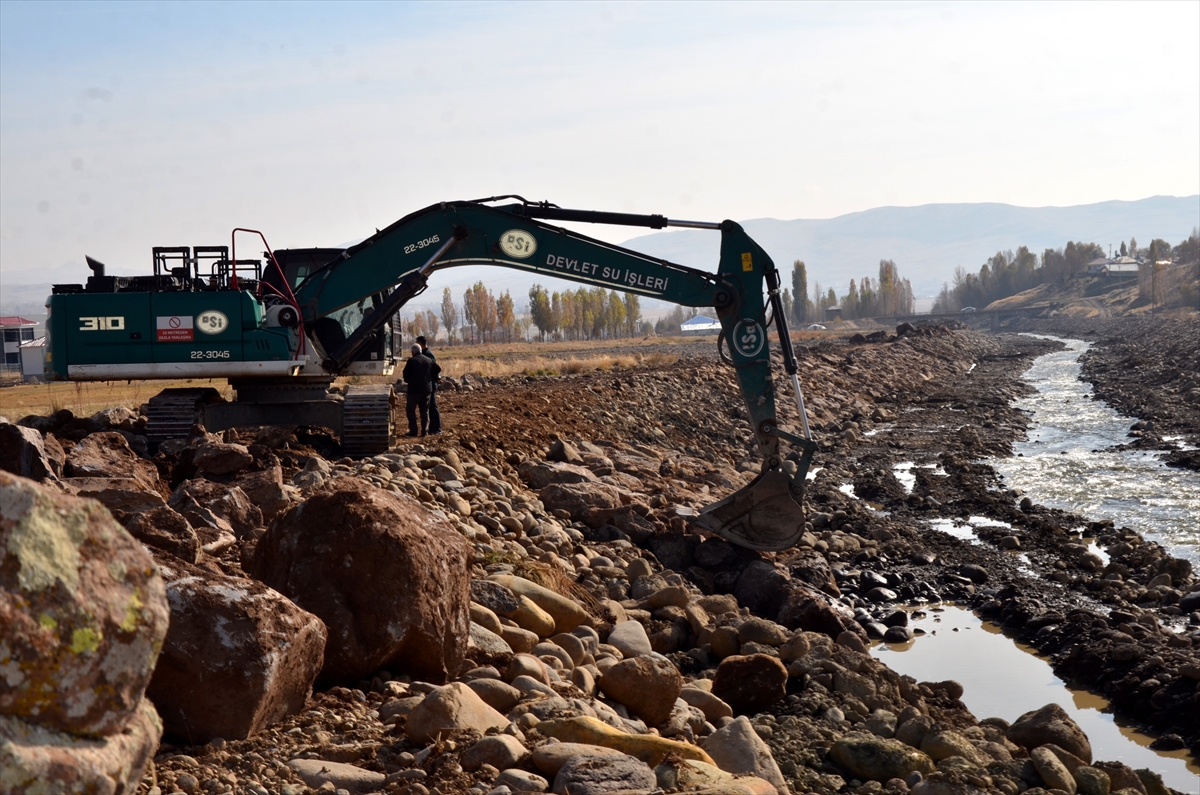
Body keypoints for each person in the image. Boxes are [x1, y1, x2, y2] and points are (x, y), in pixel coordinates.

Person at [401, 343, 434, 436]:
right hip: (427, 389)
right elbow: (437, 369)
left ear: (412, 352)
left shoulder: (412, 361)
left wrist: (408, 380)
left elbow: (405, 374)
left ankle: (413, 431)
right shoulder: (429, 360)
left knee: (410, 410)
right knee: (425, 411)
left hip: (414, 390)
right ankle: (425, 431)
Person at [416, 334, 442, 434]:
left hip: (431, 384)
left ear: (421, 344)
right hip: (428, 385)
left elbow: (434, 369)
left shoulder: (428, 354)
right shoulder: (424, 353)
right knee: (429, 407)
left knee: (433, 407)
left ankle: (437, 428)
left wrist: (437, 378)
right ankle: (432, 428)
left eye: (417, 343)